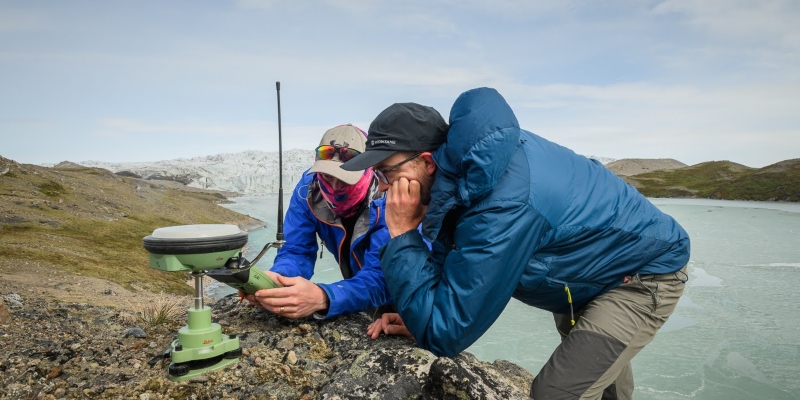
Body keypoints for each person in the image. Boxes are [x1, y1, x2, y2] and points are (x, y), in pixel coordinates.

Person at [342, 88, 691, 399]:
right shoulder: (470, 172)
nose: (381, 188)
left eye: (385, 172)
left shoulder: (501, 205)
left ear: (427, 162)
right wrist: (422, 312)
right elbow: (454, 269)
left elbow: (446, 334)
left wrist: (403, 234)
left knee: (557, 393)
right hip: (588, 271)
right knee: (597, 377)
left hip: (642, 275)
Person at [241, 124, 394, 320]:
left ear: (368, 172)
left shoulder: (389, 199)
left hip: (406, 293)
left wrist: (323, 297)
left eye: (346, 179)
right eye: (328, 176)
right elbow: (296, 250)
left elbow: (383, 277)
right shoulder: (308, 191)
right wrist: (279, 280)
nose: (335, 188)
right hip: (360, 289)